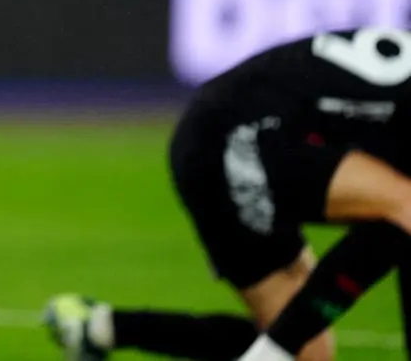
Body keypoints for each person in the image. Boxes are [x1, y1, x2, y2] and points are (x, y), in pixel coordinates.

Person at [45, 26, 411, 361]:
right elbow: (390, 225)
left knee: (309, 355)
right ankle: (270, 352)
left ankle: (100, 327)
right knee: (402, 206)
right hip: (227, 134)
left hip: (248, 131)